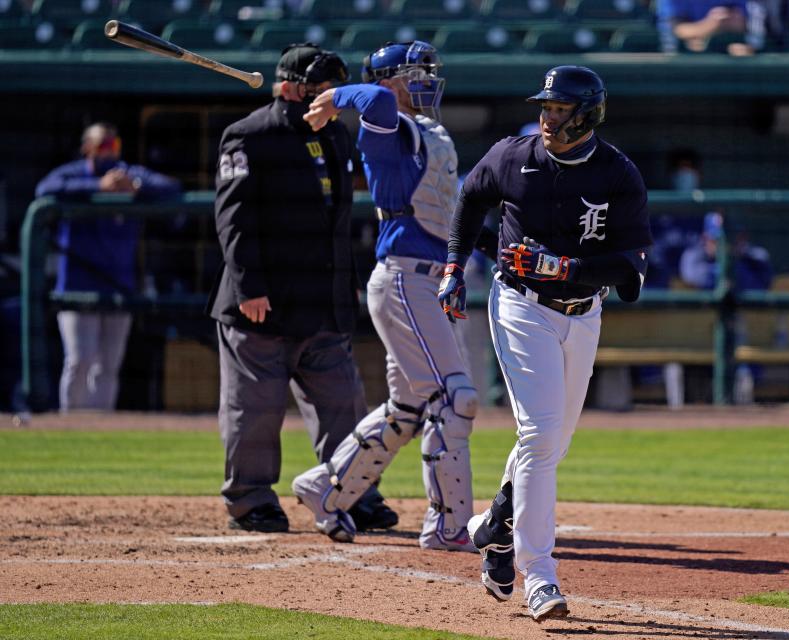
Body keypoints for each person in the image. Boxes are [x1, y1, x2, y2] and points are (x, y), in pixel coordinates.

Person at [440, 66, 653, 620]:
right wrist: (454, 268)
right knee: (538, 433)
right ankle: (540, 575)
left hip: (584, 314)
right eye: (546, 106)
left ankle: (497, 529)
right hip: (519, 307)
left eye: (559, 109)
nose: (547, 116)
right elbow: (469, 199)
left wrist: (567, 267)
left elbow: (630, 275)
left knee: (551, 442)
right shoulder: (513, 155)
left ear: (587, 114)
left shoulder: (617, 173)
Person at [293, 40, 495, 550]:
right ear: (386, 82)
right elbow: (377, 103)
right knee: (455, 399)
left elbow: (445, 214)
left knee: (407, 407)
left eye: (428, 72)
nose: (425, 81)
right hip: (406, 279)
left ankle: (325, 489)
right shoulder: (387, 124)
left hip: (430, 280)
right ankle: (448, 526)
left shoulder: (431, 133)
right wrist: (340, 93)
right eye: (413, 74)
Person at [208, 44, 396, 534]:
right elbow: (235, 222)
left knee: (344, 407)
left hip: (322, 305)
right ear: (293, 89)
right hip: (261, 306)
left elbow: (336, 225)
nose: (331, 99)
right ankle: (250, 501)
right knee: (255, 411)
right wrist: (250, 287)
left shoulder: (335, 135)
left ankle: (353, 493)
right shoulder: (248, 136)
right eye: (323, 90)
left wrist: (345, 289)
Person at [35, 122, 181, 412]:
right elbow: (45, 189)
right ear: (87, 148)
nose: (110, 152)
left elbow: (170, 187)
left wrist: (134, 187)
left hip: (119, 287)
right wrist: (97, 188)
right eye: (103, 146)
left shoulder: (127, 173)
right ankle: (70, 425)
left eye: (114, 146)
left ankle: (101, 424)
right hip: (78, 287)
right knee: (80, 360)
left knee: (108, 366)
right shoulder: (74, 173)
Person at [680, 211, 773, 403]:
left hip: (744, 342)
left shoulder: (754, 258)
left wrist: (734, 267)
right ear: (706, 238)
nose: (725, 245)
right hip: (696, 342)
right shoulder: (693, 256)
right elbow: (696, 275)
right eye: (717, 239)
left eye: (733, 238)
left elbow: (760, 284)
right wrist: (727, 272)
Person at [656, 0, 748, 52]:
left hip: (730, 54)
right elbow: (677, 29)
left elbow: (744, 23)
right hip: (684, 58)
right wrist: (710, 25)